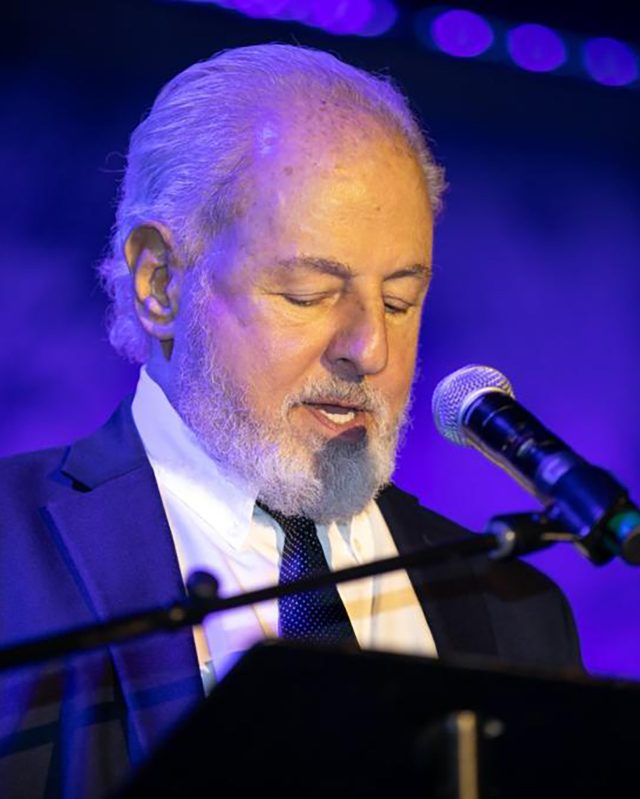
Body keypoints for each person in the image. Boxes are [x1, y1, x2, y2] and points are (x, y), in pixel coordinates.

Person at [0, 43, 582, 798]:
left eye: (400, 301)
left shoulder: (517, 610)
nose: (370, 349)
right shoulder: (11, 550)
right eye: (309, 294)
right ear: (160, 282)